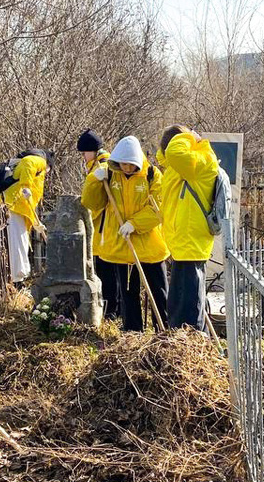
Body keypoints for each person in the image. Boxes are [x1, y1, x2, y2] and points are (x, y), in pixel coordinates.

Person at [82, 135, 169, 331]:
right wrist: (94, 181)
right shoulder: (110, 175)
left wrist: (134, 224)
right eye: (123, 164)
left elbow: (159, 209)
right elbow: (92, 203)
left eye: (130, 164)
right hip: (123, 248)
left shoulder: (152, 175)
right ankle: (133, 332)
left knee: (159, 292)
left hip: (150, 247)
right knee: (128, 295)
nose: (127, 168)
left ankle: (164, 331)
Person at [156, 125, 218, 331]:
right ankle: (181, 343)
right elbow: (166, 156)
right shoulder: (183, 165)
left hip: (191, 242)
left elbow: (173, 152)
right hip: (182, 243)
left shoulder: (201, 161)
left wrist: (187, 136)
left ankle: (193, 346)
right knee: (178, 306)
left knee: (189, 309)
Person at [78, 129, 120, 319]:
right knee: (108, 272)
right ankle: (112, 310)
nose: (83, 157)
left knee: (108, 273)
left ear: (93, 151)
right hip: (105, 228)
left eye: (85, 152)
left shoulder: (101, 167)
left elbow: (92, 202)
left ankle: (111, 311)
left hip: (105, 230)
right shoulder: (103, 164)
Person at [0, 148, 48, 283]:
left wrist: (36, 223)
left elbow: (29, 205)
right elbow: (28, 162)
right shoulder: (40, 161)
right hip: (12, 207)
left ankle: (18, 278)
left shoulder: (38, 175)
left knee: (18, 242)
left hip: (15, 207)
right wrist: (26, 185)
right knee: (16, 243)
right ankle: (16, 279)